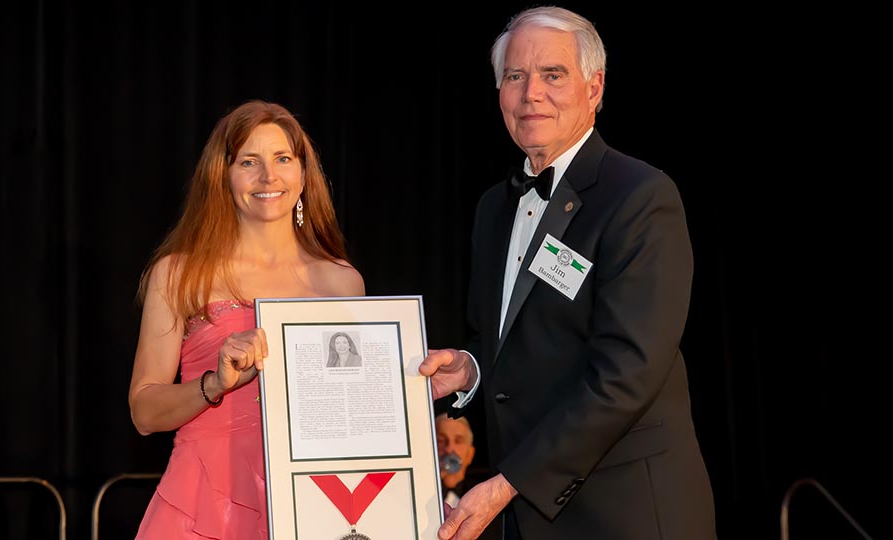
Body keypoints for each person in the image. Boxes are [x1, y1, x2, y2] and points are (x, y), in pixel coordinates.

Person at [419, 6, 716, 540]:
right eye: (515, 76)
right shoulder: (493, 208)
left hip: (628, 514)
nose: (531, 93)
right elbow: (509, 342)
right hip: (530, 518)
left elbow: (627, 374)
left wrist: (509, 481)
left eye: (552, 74)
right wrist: (471, 368)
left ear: (595, 87)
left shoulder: (640, 197)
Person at [129, 100, 364, 540]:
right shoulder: (179, 274)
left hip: (311, 503)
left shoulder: (343, 283)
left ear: (303, 174)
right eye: (248, 162)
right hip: (201, 502)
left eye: (282, 159)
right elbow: (143, 412)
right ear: (223, 176)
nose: (268, 177)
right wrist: (213, 386)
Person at [435, 412, 476, 508]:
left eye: (458, 441)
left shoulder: (482, 499)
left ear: (470, 454)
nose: (449, 449)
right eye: (441, 440)